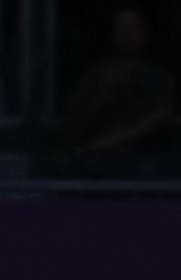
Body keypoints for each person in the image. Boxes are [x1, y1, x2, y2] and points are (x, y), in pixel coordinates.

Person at [54, 6, 175, 178]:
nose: (128, 34)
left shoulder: (160, 77)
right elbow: (74, 122)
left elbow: (158, 117)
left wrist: (100, 144)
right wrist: (104, 94)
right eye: (121, 28)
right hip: (95, 164)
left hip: (143, 166)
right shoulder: (95, 74)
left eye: (134, 27)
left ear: (145, 31)